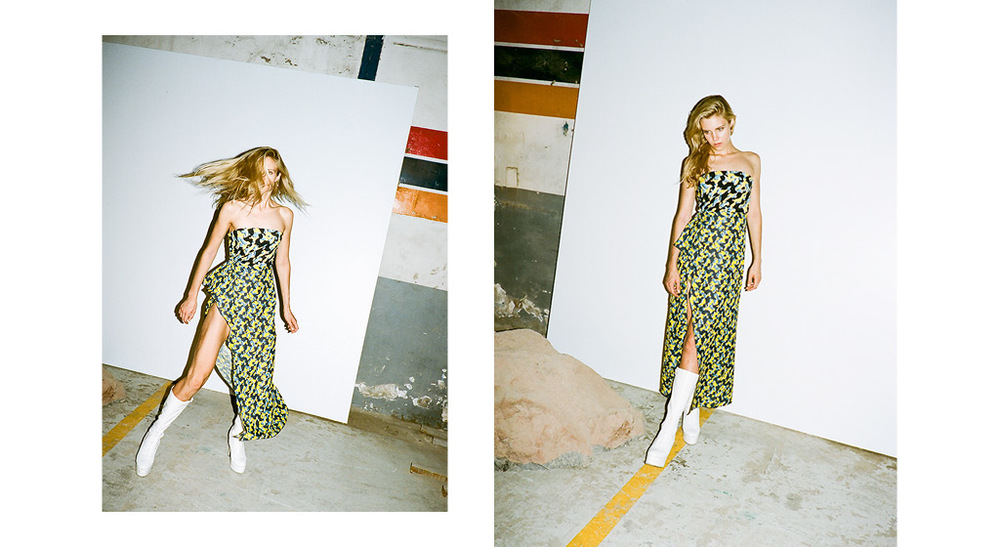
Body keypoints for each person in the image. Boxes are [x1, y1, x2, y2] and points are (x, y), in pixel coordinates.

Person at [136, 146, 307, 477]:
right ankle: (155, 433)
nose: (267, 179)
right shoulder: (232, 208)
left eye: (273, 172)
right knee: (196, 375)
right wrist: (191, 296)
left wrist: (287, 307)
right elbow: (209, 251)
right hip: (229, 293)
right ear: (251, 175)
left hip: (260, 302)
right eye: (262, 172)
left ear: (279, 176)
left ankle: (237, 435)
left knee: (255, 379)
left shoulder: (285, 216)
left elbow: (283, 262)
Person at [645, 96, 762, 467]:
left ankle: (691, 407)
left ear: (731, 123)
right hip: (696, 254)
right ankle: (669, 427)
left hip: (728, 261)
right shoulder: (694, 162)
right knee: (692, 333)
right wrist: (672, 264)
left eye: (720, 129)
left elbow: (754, 213)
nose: (714, 138)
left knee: (710, 334)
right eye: (707, 131)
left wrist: (757, 259)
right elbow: (683, 215)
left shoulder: (751, 161)